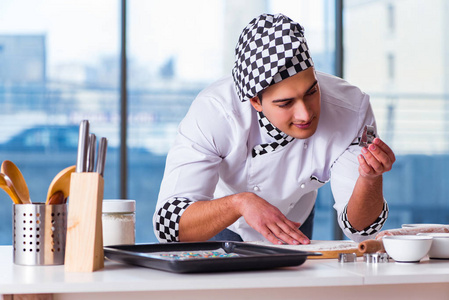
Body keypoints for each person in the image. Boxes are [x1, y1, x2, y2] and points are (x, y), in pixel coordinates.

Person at [153, 13, 395, 245]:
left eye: (311, 92)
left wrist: (369, 178)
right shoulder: (215, 113)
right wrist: (241, 203)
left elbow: (362, 230)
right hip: (221, 221)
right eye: (286, 103)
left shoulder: (352, 109)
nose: (305, 113)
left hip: (292, 219)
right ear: (255, 101)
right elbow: (168, 226)